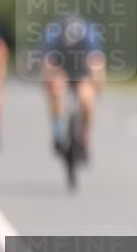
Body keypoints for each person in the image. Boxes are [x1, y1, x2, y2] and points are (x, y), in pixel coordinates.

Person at [41, 14, 105, 159]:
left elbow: (97, 65)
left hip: (82, 69)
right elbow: (47, 66)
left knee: (87, 101)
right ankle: (57, 135)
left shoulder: (89, 37)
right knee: (56, 93)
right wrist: (49, 87)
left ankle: (84, 140)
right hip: (60, 67)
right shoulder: (53, 37)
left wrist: (97, 88)